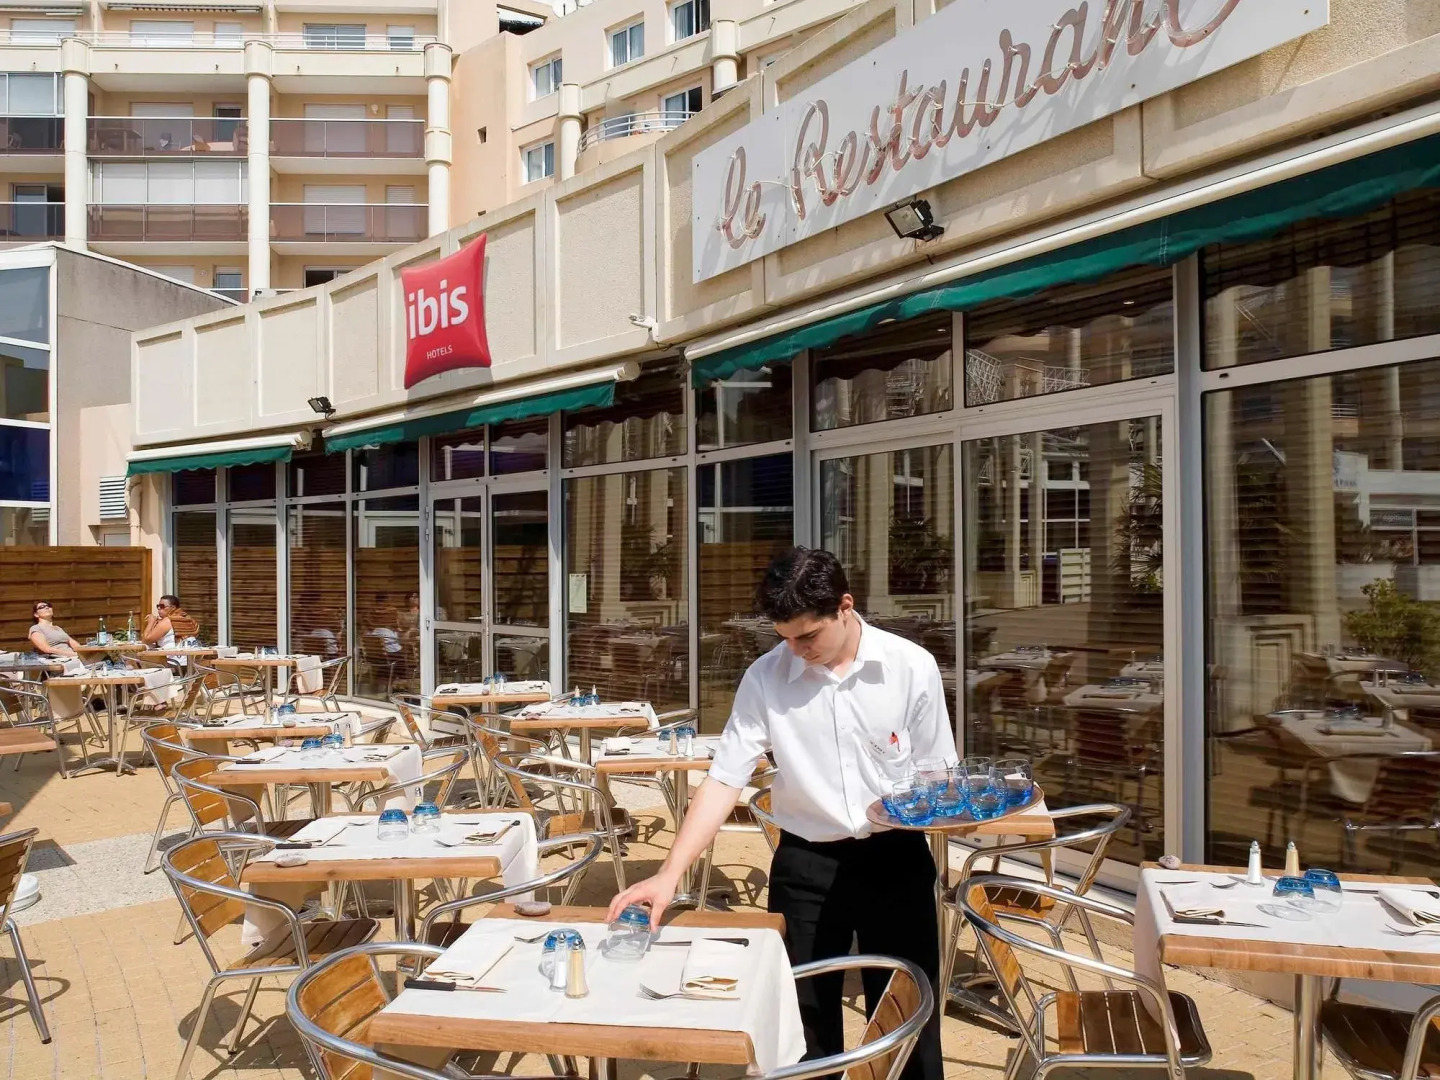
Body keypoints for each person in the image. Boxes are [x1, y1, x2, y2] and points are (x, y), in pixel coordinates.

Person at [607, 547, 954, 1080]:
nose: (795, 650)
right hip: (806, 864)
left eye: (807, 636)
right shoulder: (766, 678)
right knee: (802, 1024)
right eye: (784, 637)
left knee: (910, 1015)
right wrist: (668, 874)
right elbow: (725, 779)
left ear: (845, 606)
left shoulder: (911, 667)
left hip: (896, 857)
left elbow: (936, 775)